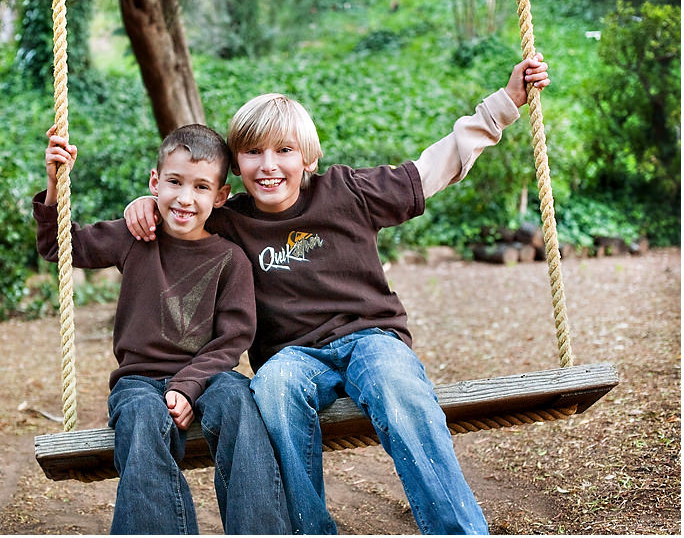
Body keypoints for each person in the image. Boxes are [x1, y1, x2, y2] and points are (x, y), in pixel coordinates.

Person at [123, 55, 551, 534]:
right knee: (274, 390)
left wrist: (505, 103)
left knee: (398, 387)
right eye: (252, 153)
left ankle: (457, 530)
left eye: (284, 151)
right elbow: (181, 206)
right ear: (236, 167)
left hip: (371, 337)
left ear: (309, 158)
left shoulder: (348, 190)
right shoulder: (229, 219)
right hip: (291, 356)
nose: (269, 166)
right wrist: (145, 206)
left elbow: (434, 167)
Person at [34, 123, 291, 534]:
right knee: (139, 416)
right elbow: (58, 247)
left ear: (221, 195)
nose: (185, 198)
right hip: (138, 379)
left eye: (202, 187)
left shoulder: (231, 259)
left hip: (209, 377)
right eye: (174, 182)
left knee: (242, 405)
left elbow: (233, 339)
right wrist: (53, 182)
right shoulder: (136, 236)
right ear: (155, 182)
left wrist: (188, 385)